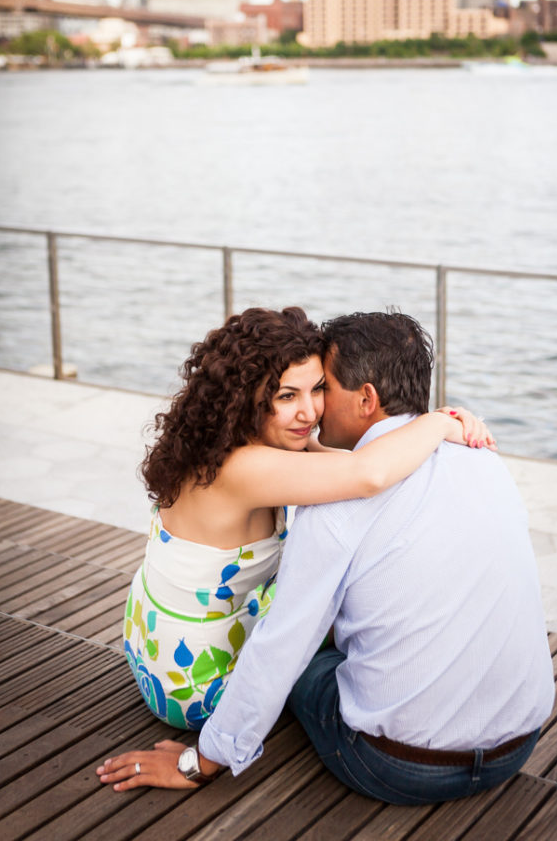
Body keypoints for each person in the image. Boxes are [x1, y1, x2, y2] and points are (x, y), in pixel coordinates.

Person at [119, 307, 493, 732]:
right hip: (194, 683)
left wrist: (425, 432)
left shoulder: (220, 444)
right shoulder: (243, 468)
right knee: (354, 638)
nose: (310, 412)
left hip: (148, 636)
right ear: (246, 399)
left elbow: (356, 462)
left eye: (317, 389)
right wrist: (437, 423)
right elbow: (366, 474)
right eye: (286, 396)